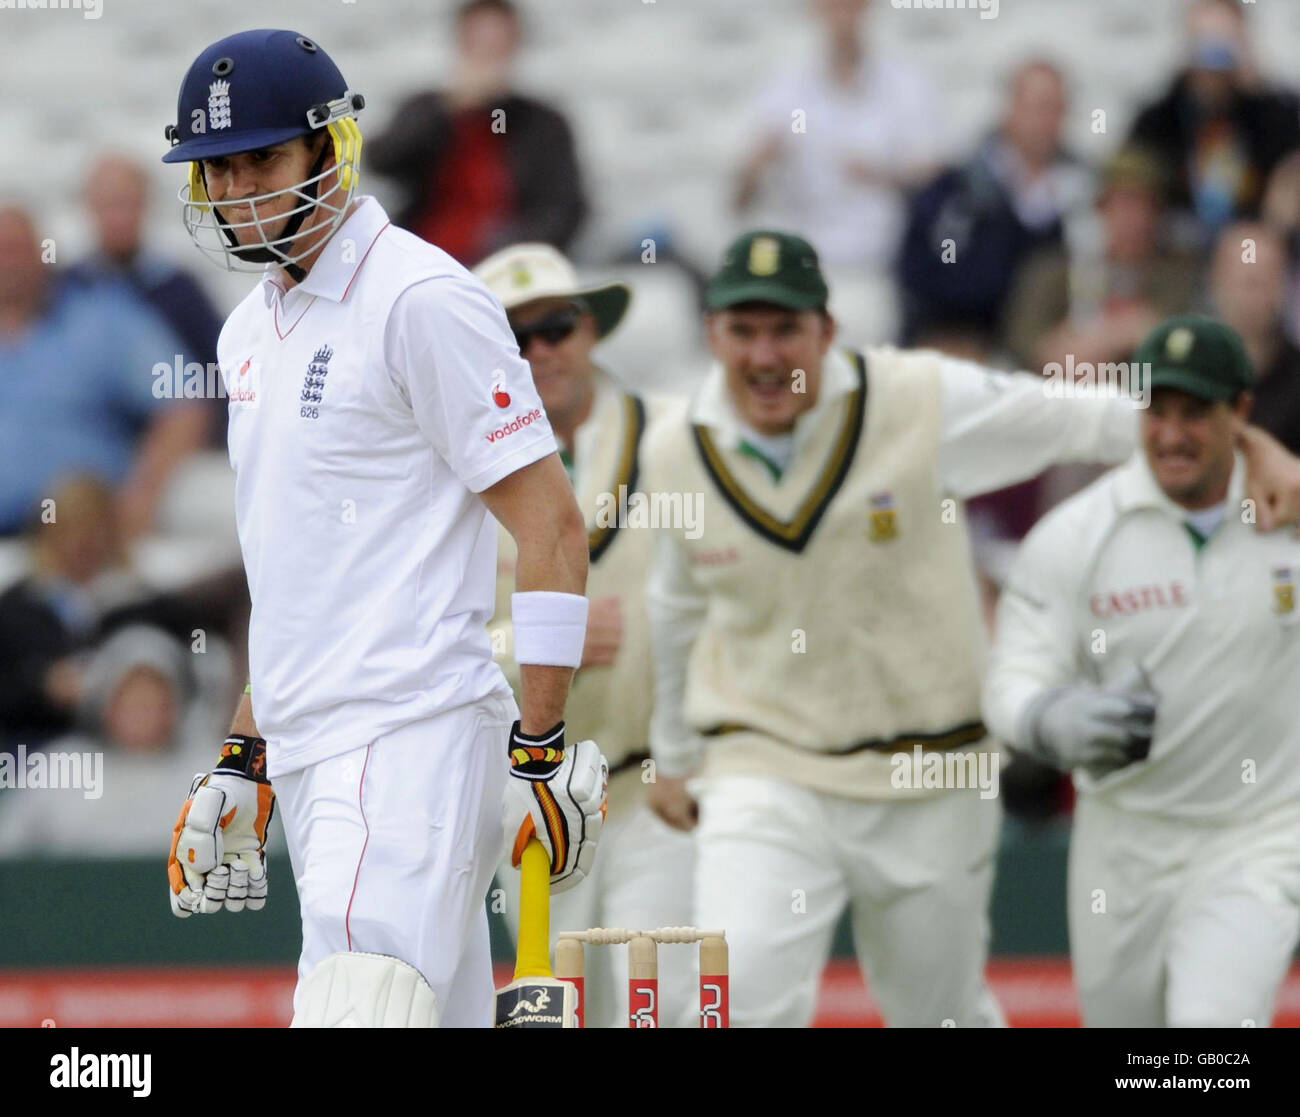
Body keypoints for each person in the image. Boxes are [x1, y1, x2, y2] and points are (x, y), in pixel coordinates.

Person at [641, 231, 1300, 1029]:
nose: (764, 353)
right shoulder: (675, 446)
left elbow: (1082, 420)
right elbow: (674, 605)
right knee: (733, 992)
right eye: (743, 330)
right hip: (766, 763)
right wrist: (672, 753)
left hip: (932, 768)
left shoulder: (919, 398)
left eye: (785, 329)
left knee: (940, 1011)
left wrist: (1251, 442)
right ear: (711, 334)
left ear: (828, 330)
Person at [158, 29, 606, 1029]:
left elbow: (550, 523)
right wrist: (244, 754)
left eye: (262, 158)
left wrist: (539, 749)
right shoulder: (245, 332)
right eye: (217, 168)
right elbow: (298, 583)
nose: (238, 189)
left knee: (355, 1012)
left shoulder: (421, 296)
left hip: (410, 734)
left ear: (331, 147)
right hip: (321, 754)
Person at [983, 315, 1300, 1027]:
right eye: (1157, 411)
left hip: (1259, 834)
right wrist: (1049, 719)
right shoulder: (1078, 533)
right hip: (1121, 840)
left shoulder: (1288, 509)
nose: (1172, 434)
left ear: (1241, 413)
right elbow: (1012, 675)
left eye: (1197, 413)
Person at [475, 243, 695, 1027]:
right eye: (514, 335)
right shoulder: (455, 469)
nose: (540, 352)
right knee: (564, 1014)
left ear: (589, 329)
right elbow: (427, 637)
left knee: (660, 1008)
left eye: (556, 327)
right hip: (528, 799)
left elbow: (736, 595)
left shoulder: (679, 436)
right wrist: (524, 644)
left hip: (655, 786)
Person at [0, 205, 209, 541]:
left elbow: (185, 401)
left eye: (15, 249)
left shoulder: (102, 320)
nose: (7, 263)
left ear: (43, 253)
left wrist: (142, 493)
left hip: (80, 540)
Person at [367, 0, 586, 264]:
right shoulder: (427, 110)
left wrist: (509, 247)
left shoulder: (544, 125)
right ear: (460, 44)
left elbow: (565, 209)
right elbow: (382, 160)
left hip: (511, 267)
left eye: (496, 47)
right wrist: (450, 110)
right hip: (427, 262)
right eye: (478, 45)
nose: (486, 58)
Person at [732, 0, 944, 272]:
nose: (843, 13)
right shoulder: (783, 91)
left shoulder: (907, 86)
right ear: (815, 9)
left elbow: (936, 185)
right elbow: (738, 202)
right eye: (833, 4)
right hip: (805, 261)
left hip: (885, 260)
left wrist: (881, 176)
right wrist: (757, 166)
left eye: (851, 4)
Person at [897, 59, 1091, 350]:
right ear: (1009, 109)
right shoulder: (954, 193)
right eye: (1035, 106)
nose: (1044, 121)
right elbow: (928, 276)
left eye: (1054, 107)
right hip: (970, 341)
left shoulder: (1087, 188)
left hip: (1055, 345)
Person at [68, 153, 226, 444]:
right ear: (89, 207)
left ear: (145, 205)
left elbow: (220, 377)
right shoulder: (65, 290)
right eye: (108, 205)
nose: (118, 217)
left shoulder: (180, 291)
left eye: (127, 203)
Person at [1003, 148, 1199, 375]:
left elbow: (1177, 340)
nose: (1136, 220)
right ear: (1101, 207)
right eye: (1124, 204)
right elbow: (1026, 343)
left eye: (1146, 207)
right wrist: (1119, 334)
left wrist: (1093, 340)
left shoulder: (1177, 274)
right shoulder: (1052, 270)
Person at [1127, 0, 1300, 242]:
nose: (1213, 67)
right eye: (1204, 47)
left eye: (1224, 49)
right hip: (1175, 256)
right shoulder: (1156, 122)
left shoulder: (1277, 118)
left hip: (1254, 252)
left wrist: (1258, 90)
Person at [1209, 221, 1300, 453]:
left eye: (1264, 281)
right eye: (1245, 281)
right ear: (1216, 282)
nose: (1252, 296)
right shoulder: (1186, 370)